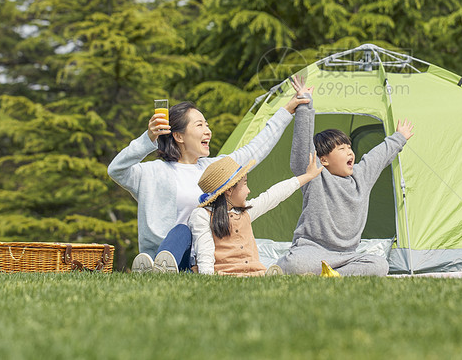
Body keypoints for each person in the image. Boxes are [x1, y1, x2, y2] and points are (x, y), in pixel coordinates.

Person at [107, 78, 310, 272]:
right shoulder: (152, 172)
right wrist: (147, 138)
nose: (208, 131)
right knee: (181, 231)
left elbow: (255, 150)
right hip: (167, 254)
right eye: (199, 125)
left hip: (207, 258)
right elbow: (116, 169)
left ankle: (165, 270)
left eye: (207, 124)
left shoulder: (213, 171)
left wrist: (287, 110)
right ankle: (160, 267)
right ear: (178, 136)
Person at [276, 95, 414, 276]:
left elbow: (378, 157)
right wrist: (304, 108)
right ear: (323, 160)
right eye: (342, 149)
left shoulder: (361, 176)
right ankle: (311, 270)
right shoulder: (315, 175)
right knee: (297, 265)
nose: (349, 152)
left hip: (346, 256)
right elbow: (302, 149)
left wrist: (399, 138)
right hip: (311, 251)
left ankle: (332, 274)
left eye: (349, 147)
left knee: (380, 265)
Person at [189, 152, 322, 275]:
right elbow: (204, 251)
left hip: (254, 274)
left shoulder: (246, 211)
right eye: (245, 184)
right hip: (225, 274)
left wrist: (308, 176)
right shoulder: (202, 215)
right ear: (229, 190)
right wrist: (207, 276)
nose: (249, 190)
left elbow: (275, 194)